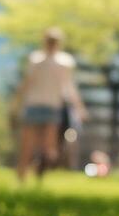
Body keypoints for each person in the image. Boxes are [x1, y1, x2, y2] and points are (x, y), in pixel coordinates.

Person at [11, 27, 87, 184]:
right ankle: (21, 179)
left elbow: (69, 86)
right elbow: (27, 82)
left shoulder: (65, 62)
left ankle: (39, 175)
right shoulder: (35, 59)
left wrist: (79, 108)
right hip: (33, 105)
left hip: (53, 107)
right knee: (27, 145)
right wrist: (17, 102)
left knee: (48, 148)